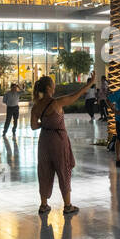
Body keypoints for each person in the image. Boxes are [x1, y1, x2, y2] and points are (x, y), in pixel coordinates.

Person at [30, 72, 93, 215]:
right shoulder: (56, 102)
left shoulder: (36, 106)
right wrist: (89, 84)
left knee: (44, 171)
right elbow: (76, 95)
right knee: (63, 170)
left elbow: (33, 126)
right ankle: (68, 205)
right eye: (53, 84)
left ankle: (44, 205)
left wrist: (45, 124)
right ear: (49, 88)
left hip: (44, 140)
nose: (55, 85)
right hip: (58, 140)